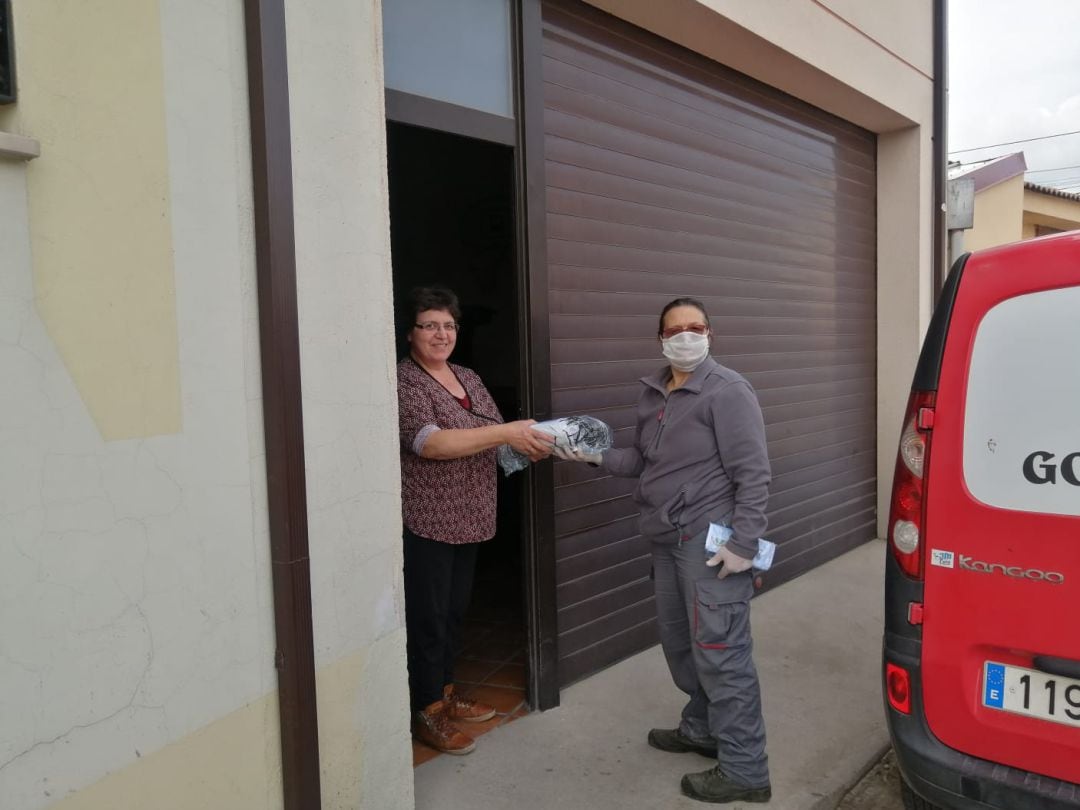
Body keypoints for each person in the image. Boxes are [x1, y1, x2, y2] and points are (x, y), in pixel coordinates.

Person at [556, 297, 772, 804]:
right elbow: (642, 462)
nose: (685, 336)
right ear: (660, 339)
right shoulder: (654, 394)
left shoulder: (728, 391)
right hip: (665, 539)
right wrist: (590, 454)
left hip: (709, 544)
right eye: (674, 330)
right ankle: (701, 729)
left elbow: (754, 473)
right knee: (681, 645)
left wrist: (745, 543)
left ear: (710, 334)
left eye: (695, 327)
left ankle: (746, 769)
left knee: (722, 653)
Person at [396, 286, 553, 755]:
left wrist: (539, 444)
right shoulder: (405, 381)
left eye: (448, 325)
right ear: (410, 334)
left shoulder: (467, 376)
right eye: (430, 325)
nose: (441, 334)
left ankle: (444, 693)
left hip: (472, 515)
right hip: (428, 519)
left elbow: (498, 439)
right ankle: (426, 710)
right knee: (428, 617)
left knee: (455, 612)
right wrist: (506, 432)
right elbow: (430, 443)